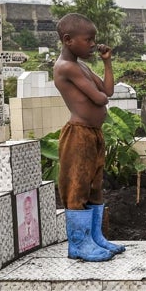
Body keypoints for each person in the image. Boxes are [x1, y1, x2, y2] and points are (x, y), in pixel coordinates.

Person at [53, 13, 125, 262]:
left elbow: (107, 90)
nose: (94, 44)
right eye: (89, 40)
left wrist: (107, 63)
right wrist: (100, 94)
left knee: (95, 186)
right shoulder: (66, 67)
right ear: (68, 40)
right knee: (77, 187)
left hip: (93, 133)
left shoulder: (81, 66)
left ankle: (95, 238)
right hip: (78, 134)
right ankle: (79, 243)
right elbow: (100, 98)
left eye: (94, 39)